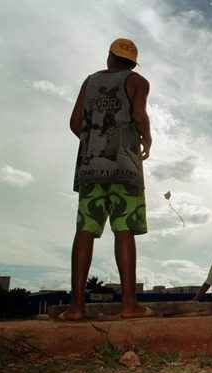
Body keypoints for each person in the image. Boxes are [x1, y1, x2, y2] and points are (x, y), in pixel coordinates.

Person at [61, 38, 153, 320]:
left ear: (110, 57)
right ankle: (129, 306)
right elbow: (138, 115)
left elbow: (75, 123)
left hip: (91, 165)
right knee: (124, 229)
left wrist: (95, 142)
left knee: (85, 230)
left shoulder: (89, 82)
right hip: (125, 164)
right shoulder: (138, 82)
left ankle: (76, 308)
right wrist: (146, 140)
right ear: (133, 63)